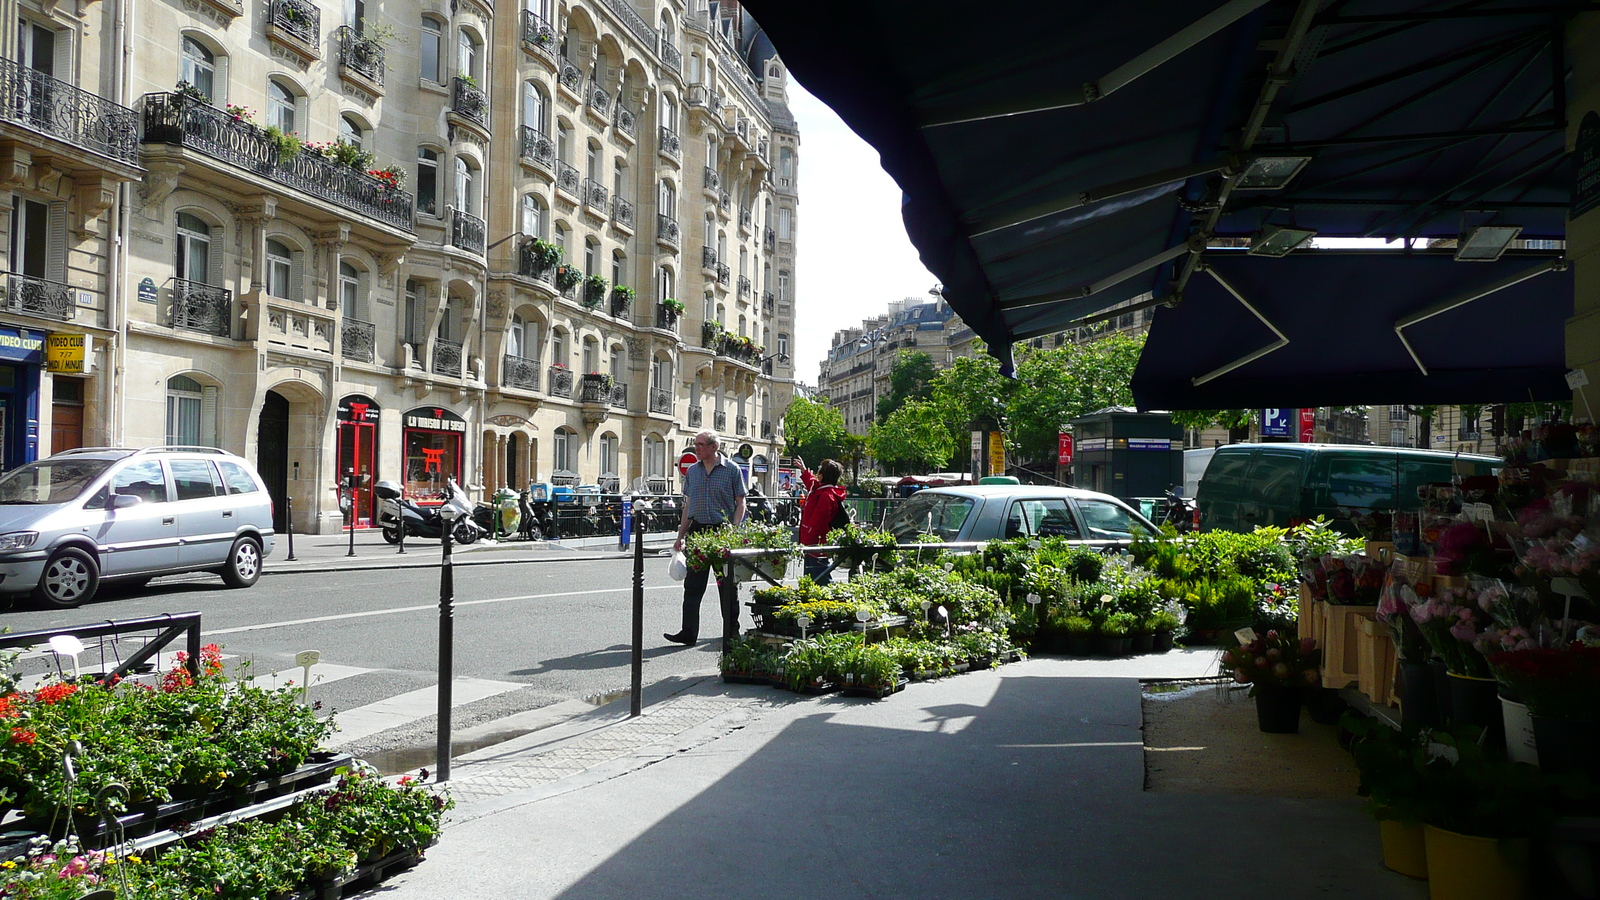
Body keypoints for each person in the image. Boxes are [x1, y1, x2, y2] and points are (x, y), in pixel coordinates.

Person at [665, 430, 747, 649]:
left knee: (726, 586)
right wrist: (681, 535)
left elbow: (741, 502)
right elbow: (688, 506)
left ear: (714, 447)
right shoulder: (693, 471)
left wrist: (734, 530)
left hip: (722, 532)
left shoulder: (731, 469)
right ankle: (688, 632)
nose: (697, 448)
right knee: (693, 585)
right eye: (695, 444)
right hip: (698, 531)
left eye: (701, 444)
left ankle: (731, 632)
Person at [796, 457, 847, 585]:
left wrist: (807, 541)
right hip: (814, 543)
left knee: (819, 577)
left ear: (822, 475)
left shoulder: (825, 495)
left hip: (815, 543)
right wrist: (804, 470)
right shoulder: (825, 491)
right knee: (814, 576)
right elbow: (813, 484)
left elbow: (818, 522)